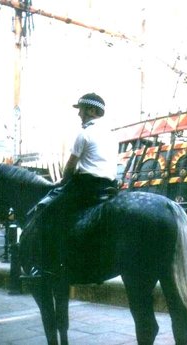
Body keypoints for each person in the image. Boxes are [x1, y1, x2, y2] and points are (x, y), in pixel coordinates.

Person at [25, 92, 118, 278]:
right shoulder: (112, 135)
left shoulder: (84, 134)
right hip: (110, 187)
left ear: (92, 110)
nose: (79, 115)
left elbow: (69, 167)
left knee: (46, 210)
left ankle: (46, 265)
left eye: (81, 110)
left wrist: (62, 181)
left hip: (86, 186)